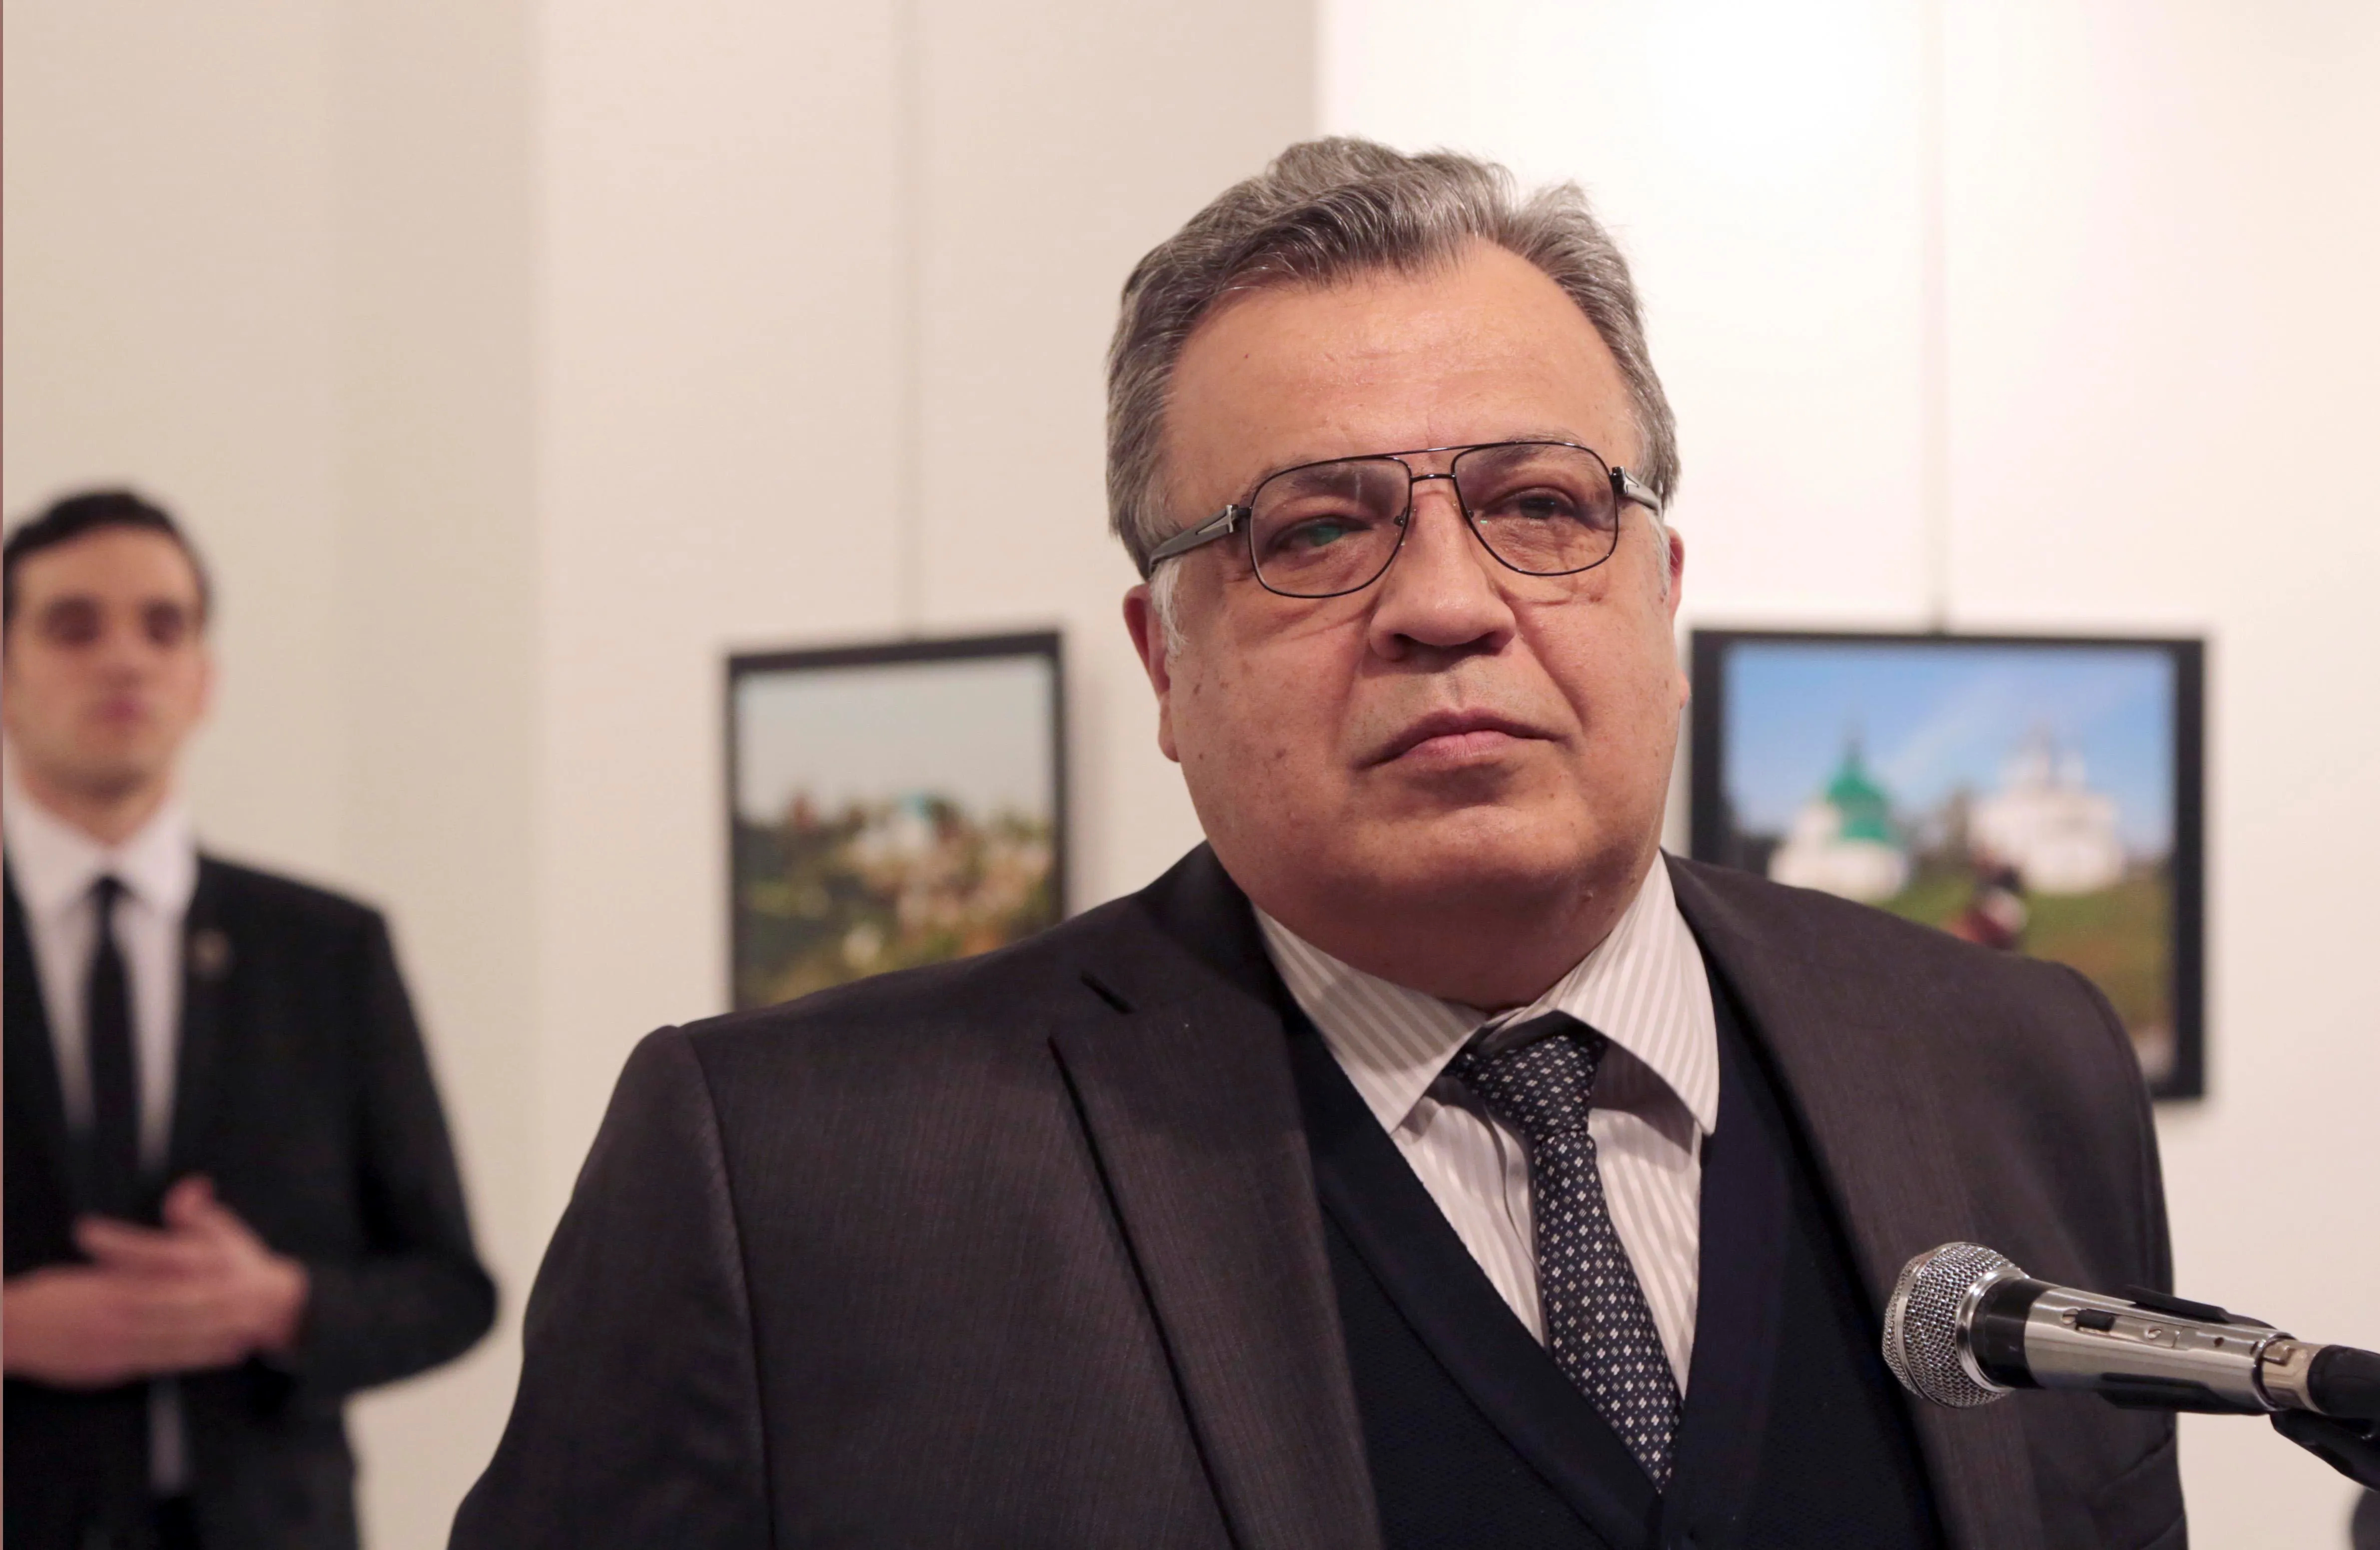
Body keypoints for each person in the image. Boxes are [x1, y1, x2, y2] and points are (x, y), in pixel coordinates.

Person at [454, 141, 2181, 1549]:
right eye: (1314, 531)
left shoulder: (2009, 1067)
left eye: (1538, 504)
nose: (1446, 602)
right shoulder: (797, 1178)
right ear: (1165, 663)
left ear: (1660, 593)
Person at [4, 490, 496, 1550]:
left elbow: (452, 1289)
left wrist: (279, 1302)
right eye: (74, 627)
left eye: (163, 627)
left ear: (204, 679)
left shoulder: (330, 950)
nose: (125, 659)